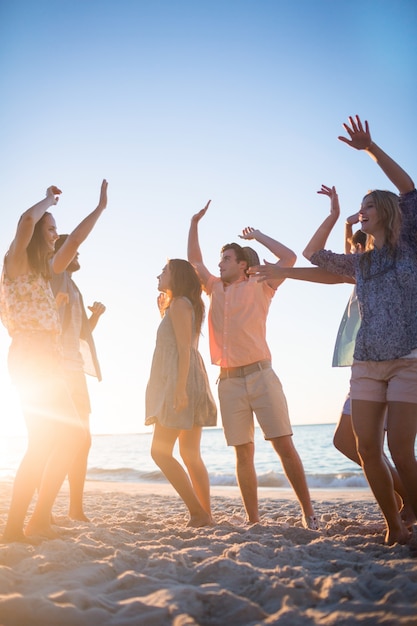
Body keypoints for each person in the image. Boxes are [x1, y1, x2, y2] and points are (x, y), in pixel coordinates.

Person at [304, 115, 417, 545]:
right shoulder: (361, 262)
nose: (362, 210)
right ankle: (395, 526)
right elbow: (313, 253)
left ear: (385, 212)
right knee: (366, 447)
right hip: (367, 365)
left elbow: (408, 187)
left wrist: (371, 149)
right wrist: (336, 215)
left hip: (409, 360)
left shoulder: (410, 246)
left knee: (403, 452)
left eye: (368, 205)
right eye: (362, 206)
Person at [188, 208, 318, 529]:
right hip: (228, 382)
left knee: (283, 445)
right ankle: (254, 519)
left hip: (262, 376)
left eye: (227, 259)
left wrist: (257, 236)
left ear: (243, 264)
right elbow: (195, 263)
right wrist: (193, 224)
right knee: (243, 454)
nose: (220, 264)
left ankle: (308, 513)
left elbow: (287, 257)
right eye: (221, 260)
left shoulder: (262, 283)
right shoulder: (215, 287)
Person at [0, 180, 108, 542]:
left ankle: (30, 522)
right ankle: (24, 524)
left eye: (55, 230)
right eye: (50, 229)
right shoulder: (15, 265)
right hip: (32, 357)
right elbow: (23, 223)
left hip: (49, 358)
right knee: (67, 437)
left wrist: (99, 210)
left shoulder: (47, 271)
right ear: (36, 235)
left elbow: (74, 242)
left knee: (52, 441)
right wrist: (48, 201)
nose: (54, 236)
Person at [145, 259, 217, 527]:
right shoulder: (181, 304)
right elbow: (179, 343)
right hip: (187, 379)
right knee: (189, 453)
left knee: (159, 452)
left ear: (177, 276)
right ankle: (205, 515)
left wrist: (179, 389)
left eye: (164, 271)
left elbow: (184, 349)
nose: (159, 274)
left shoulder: (180, 304)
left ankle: (199, 513)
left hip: (181, 380)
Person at [50, 234, 105, 521]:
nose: (78, 254)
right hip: (57, 368)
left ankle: (75, 508)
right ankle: (47, 509)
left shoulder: (73, 286)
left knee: (83, 440)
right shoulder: (54, 276)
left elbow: (81, 334)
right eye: (74, 250)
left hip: (74, 369)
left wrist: (94, 317)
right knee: (62, 439)